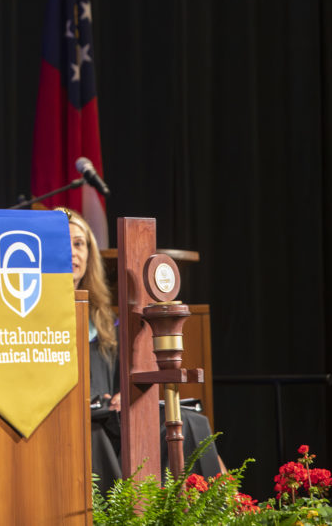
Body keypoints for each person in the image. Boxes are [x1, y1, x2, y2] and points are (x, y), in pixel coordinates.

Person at [59, 207, 223, 493]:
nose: (74, 252)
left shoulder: (104, 322)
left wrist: (126, 394)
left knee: (190, 421)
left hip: (113, 415)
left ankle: (220, 509)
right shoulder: (36, 320)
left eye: (79, 243)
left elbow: (124, 376)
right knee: (95, 431)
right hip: (75, 418)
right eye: (64, 242)